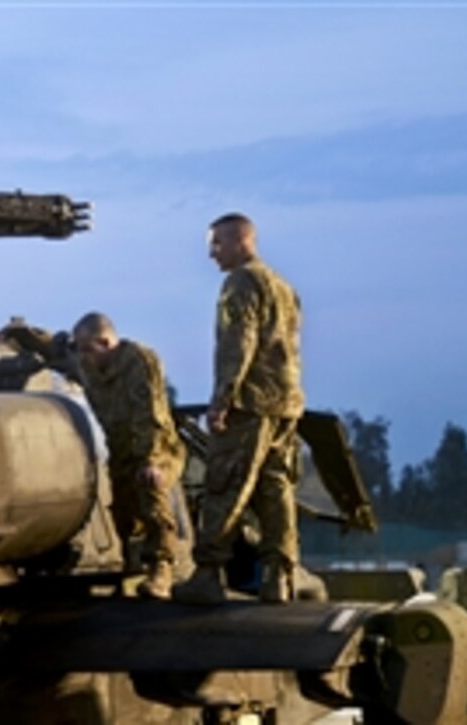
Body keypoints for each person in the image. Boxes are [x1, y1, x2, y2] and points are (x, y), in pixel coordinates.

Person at [173, 213, 305, 605]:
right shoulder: (282, 285)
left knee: (223, 485)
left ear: (240, 241)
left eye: (216, 243)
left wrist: (222, 401)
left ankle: (209, 574)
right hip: (285, 403)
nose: (211, 254)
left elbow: (238, 343)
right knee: (275, 488)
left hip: (249, 404)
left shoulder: (241, 282)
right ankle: (279, 577)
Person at [72, 312, 187, 599]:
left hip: (153, 444)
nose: (83, 356)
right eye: (79, 348)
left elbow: (150, 414)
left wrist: (151, 460)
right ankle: (131, 568)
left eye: (88, 348)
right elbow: (59, 350)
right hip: (119, 446)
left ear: (107, 341)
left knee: (152, 500)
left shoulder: (138, 361)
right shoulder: (87, 364)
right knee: (122, 509)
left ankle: (161, 569)